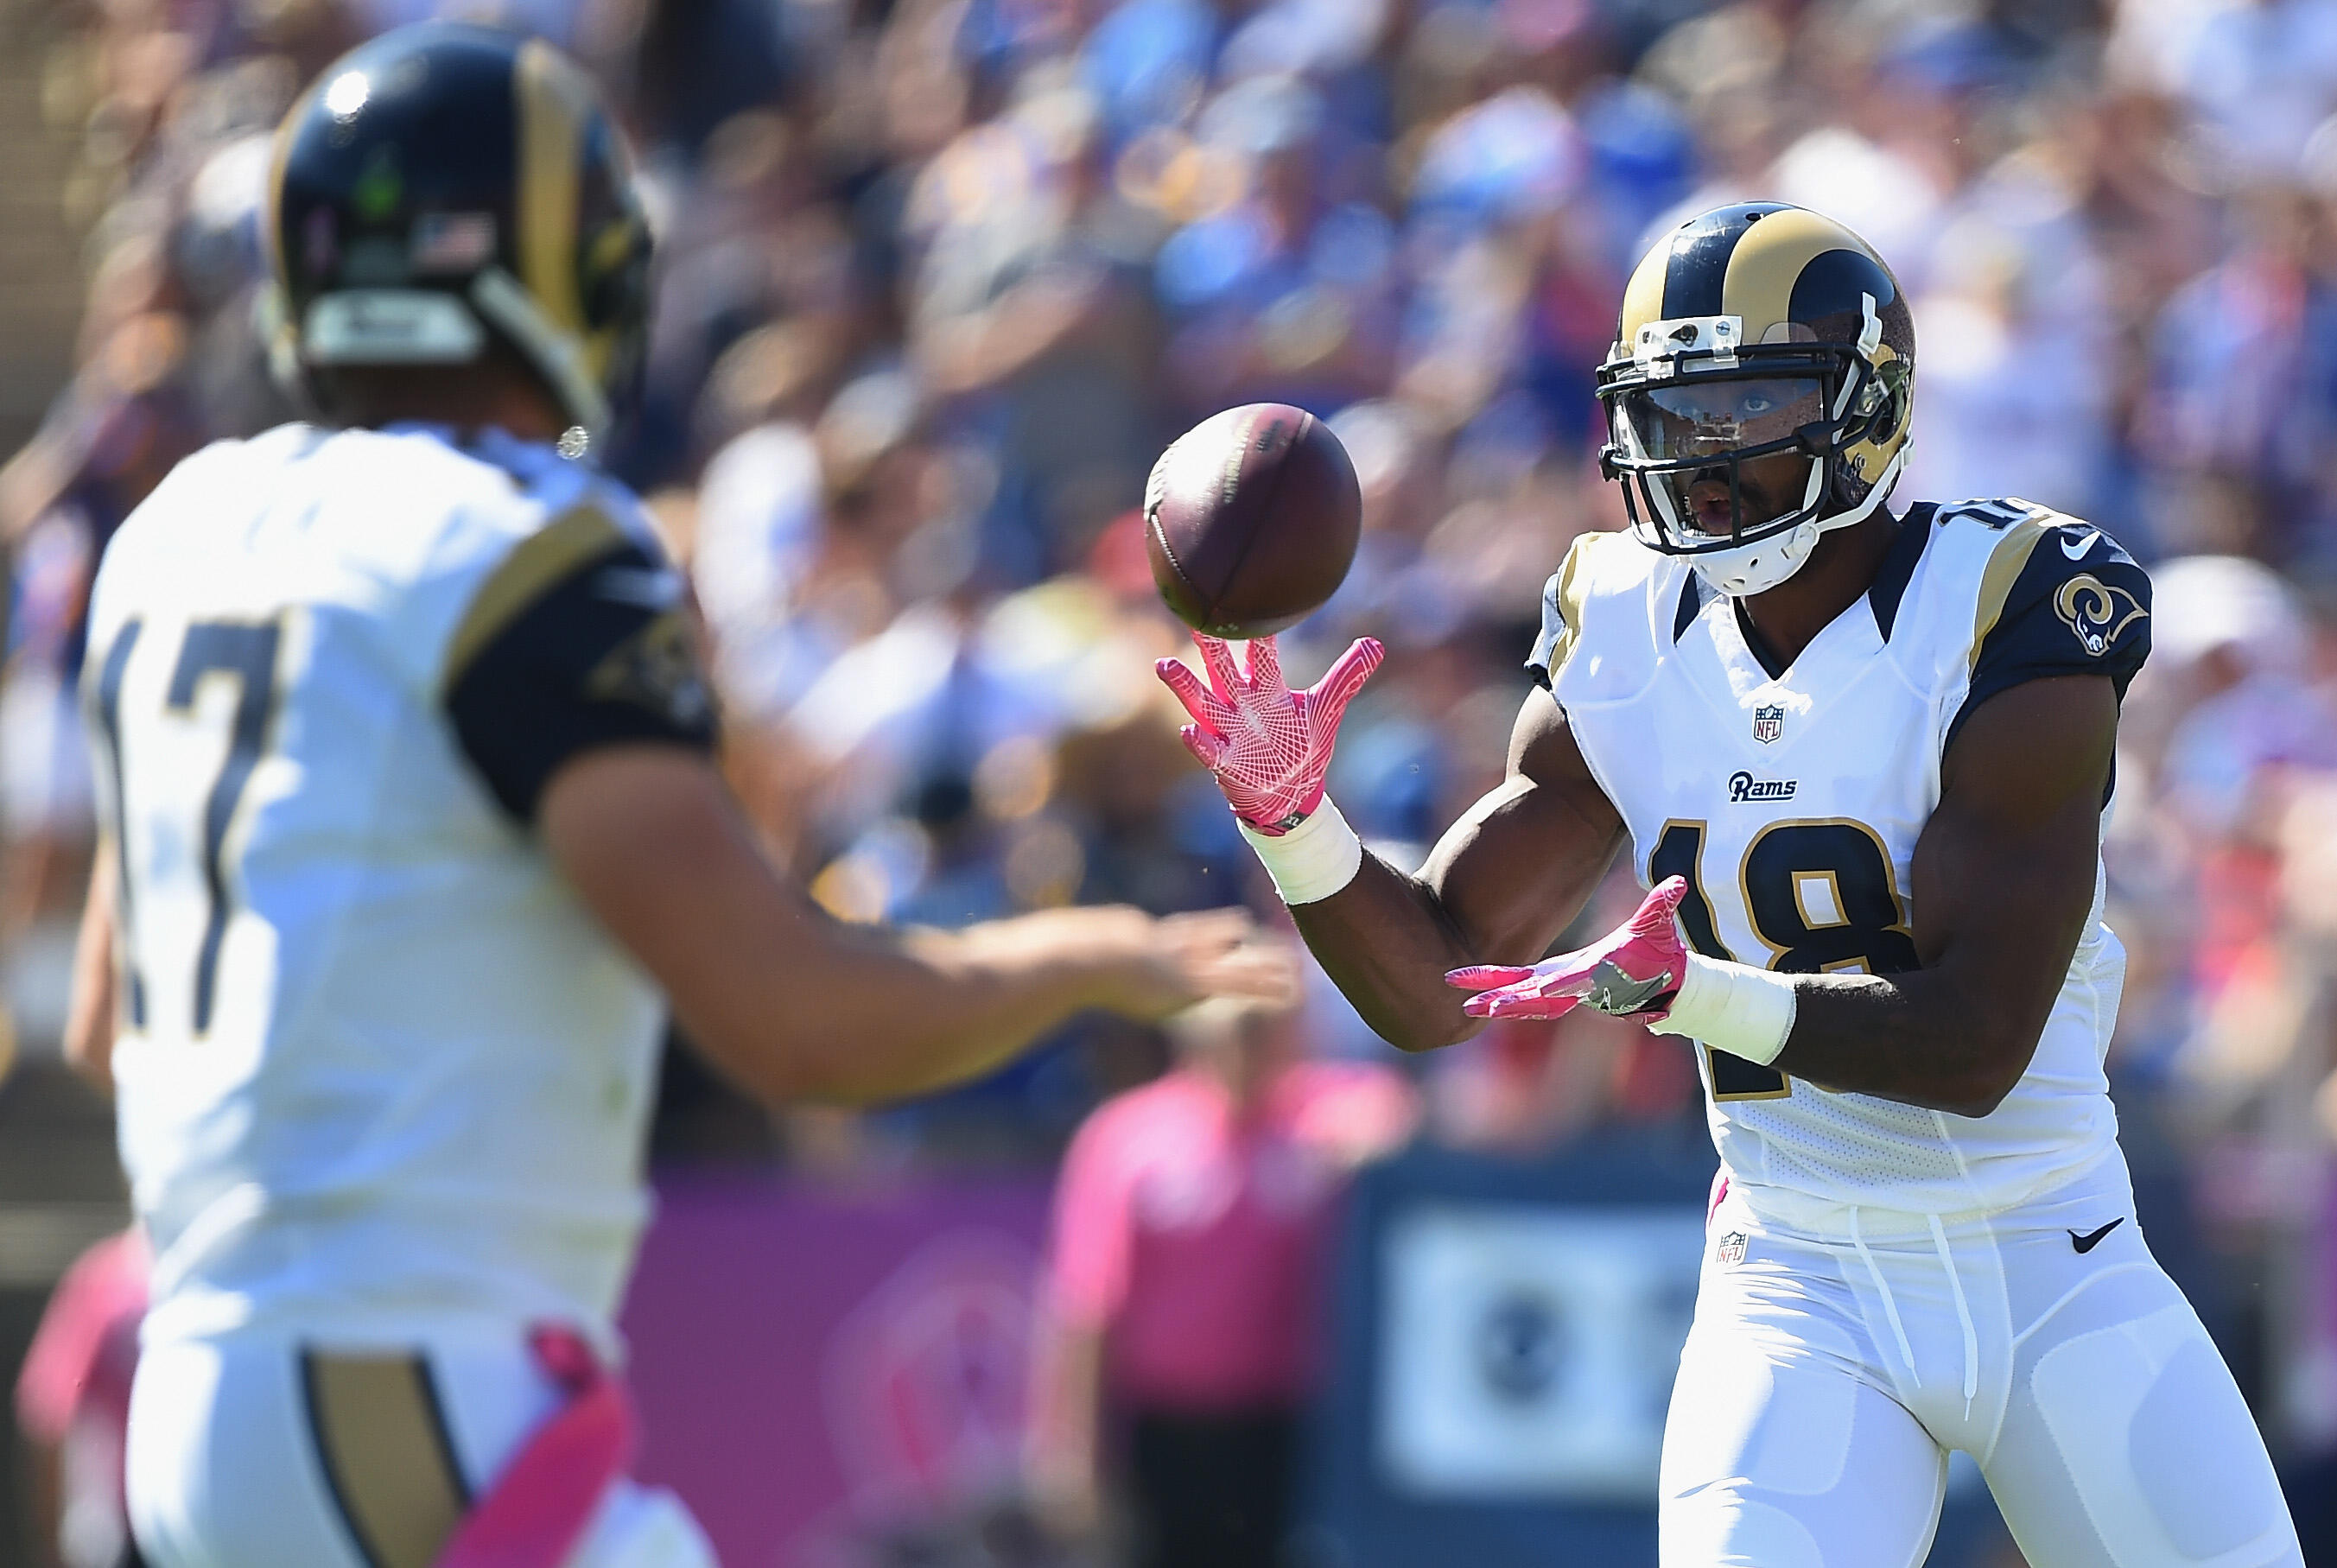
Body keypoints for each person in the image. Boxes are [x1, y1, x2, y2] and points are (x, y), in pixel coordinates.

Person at [70, 24, 1288, 1568]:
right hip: (410, 1386)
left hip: (192, 1380)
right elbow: (794, 1024)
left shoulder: (182, 531)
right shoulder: (527, 544)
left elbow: (102, 1013)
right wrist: (1086, 958)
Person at [1159, 202, 2305, 1566]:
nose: (1701, 461)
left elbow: (1975, 1041)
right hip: (1797, 1282)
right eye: (1672, 413)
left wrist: (1693, 991)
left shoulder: (2009, 602)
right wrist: (1296, 825)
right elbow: (1438, 980)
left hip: (2053, 1257)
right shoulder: (1622, 622)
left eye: (1750, 403)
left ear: (1866, 403)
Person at [1026, 992, 1413, 1568]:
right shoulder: (1129, 1136)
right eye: (1237, 1028)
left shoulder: (1312, 1119)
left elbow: (1403, 1111)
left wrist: (1365, 1137)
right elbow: (1085, 1306)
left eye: (1265, 1029)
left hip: (1282, 1428)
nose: (1249, 1046)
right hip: (1160, 1432)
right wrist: (1070, 1456)